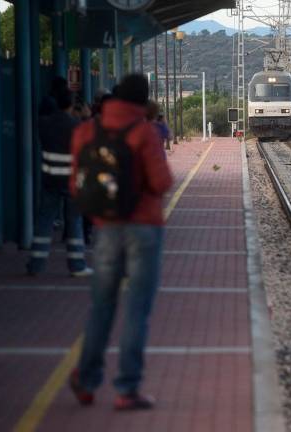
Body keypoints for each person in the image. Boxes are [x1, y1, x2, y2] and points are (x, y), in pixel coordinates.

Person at [69, 74, 173, 410]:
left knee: (101, 306)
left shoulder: (87, 130)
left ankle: (85, 380)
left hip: (106, 230)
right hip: (144, 230)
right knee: (136, 311)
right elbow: (161, 182)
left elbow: (77, 185)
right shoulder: (143, 132)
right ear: (142, 102)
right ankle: (126, 389)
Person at [25, 87, 93, 277]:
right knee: (74, 223)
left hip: (50, 180)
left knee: (44, 222)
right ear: (71, 104)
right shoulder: (77, 126)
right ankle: (77, 266)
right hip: (72, 182)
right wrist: (87, 117)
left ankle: (36, 264)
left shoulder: (44, 124)